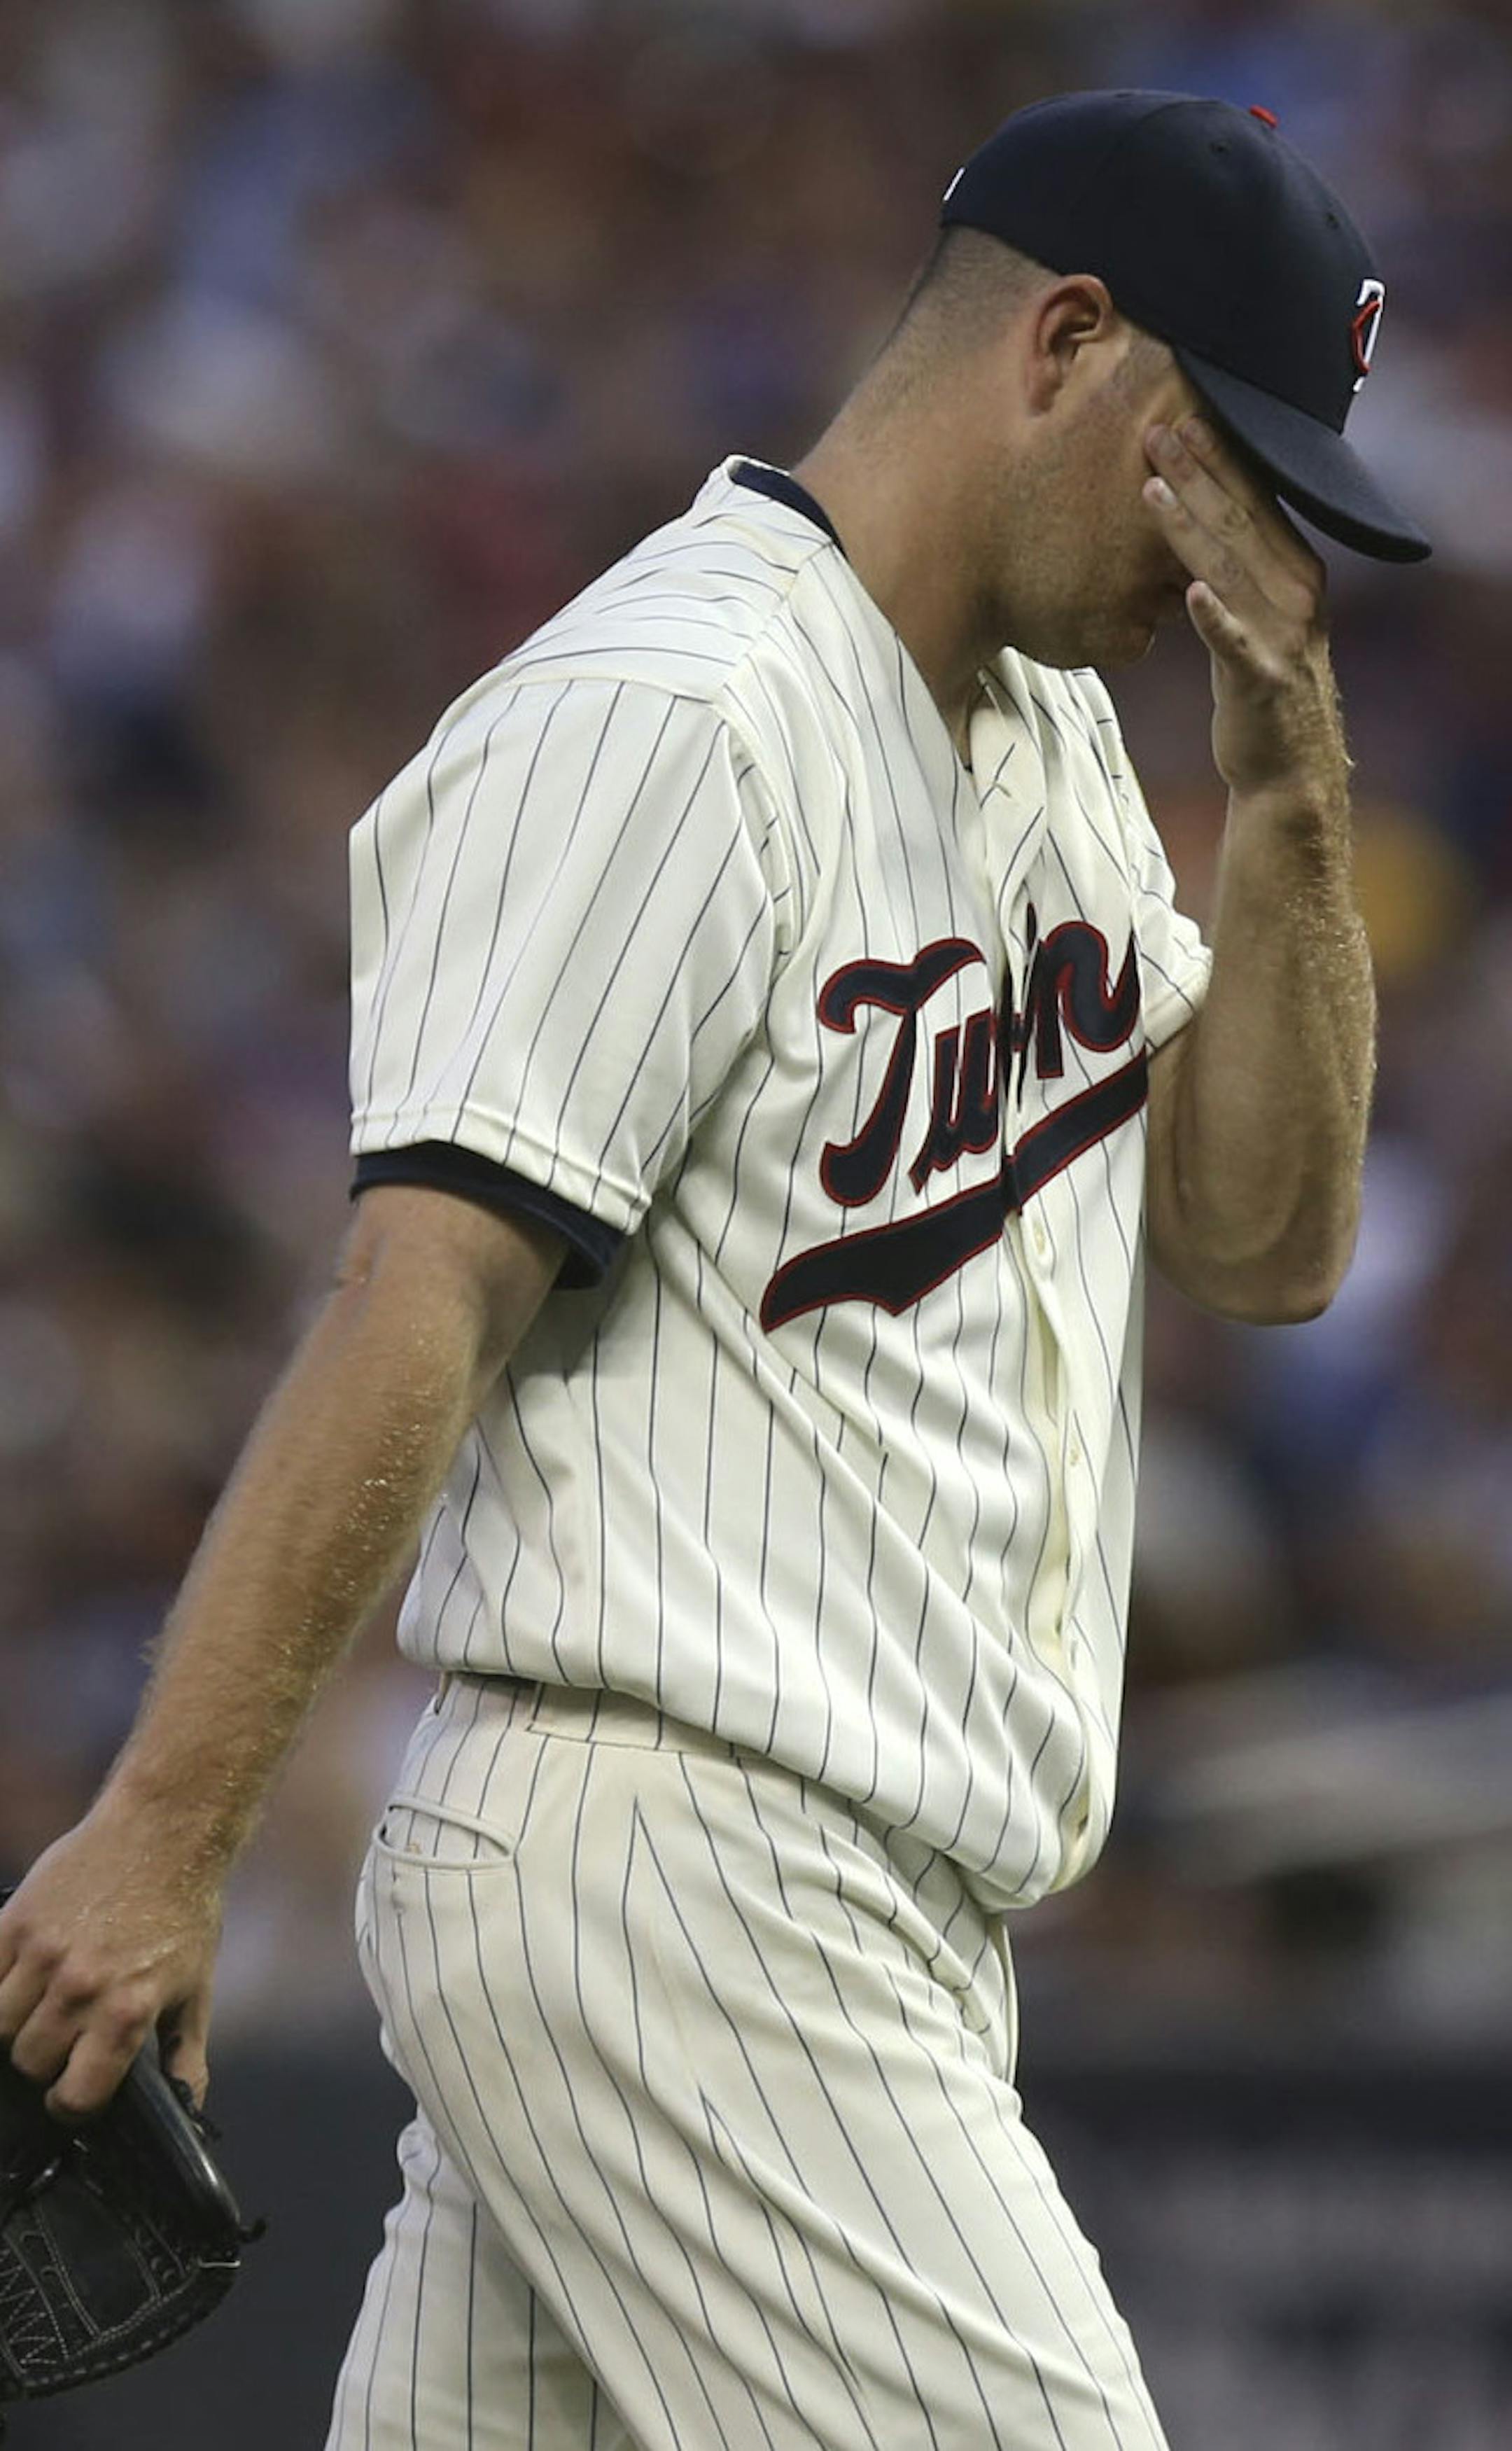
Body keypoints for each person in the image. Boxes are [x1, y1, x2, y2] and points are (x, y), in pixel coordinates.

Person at [0, 90, 1427, 2451]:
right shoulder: (674, 709)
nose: (1246, 554)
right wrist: (167, 1831)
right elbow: (417, 1296)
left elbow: (1268, 1246)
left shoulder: (1067, 743)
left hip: (815, 1901)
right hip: (692, 1856)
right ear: (1062, 343)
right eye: (1230, 464)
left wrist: (1291, 783)